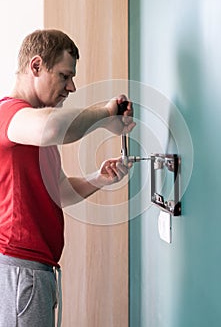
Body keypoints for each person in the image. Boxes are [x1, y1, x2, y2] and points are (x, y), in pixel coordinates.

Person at [0, 29, 135, 327]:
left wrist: (99, 178)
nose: (71, 86)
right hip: (19, 269)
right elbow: (52, 128)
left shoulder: (34, 132)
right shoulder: (9, 115)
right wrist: (106, 114)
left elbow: (59, 191)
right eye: (64, 75)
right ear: (36, 67)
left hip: (38, 271)